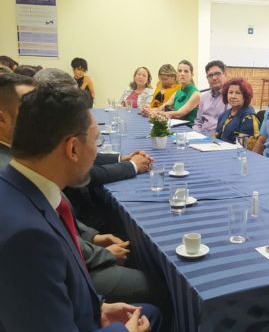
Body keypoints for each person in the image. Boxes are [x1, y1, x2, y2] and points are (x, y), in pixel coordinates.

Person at [0, 84, 186, 332]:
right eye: (96, 140)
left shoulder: (22, 188)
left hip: (75, 321)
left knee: (152, 316)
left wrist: (98, 307)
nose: (96, 151)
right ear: (73, 148)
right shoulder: (26, 238)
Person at [0, 72, 156, 304]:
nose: (39, 116)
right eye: (29, 109)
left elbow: (56, 214)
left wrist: (93, 237)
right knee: (158, 285)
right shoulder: (21, 209)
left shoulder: (22, 168)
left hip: (77, 251)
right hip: (74, 276)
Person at [215, 78, 260, 149]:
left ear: (245, 96)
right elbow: (216, 137)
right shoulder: (223, 114)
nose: (233, 96)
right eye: (230, 92)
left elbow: (245, 148)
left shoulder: (249, 118)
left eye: (238, 93)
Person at [192, 60, 228, 133]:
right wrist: (196, 134)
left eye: (217, 74)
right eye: (210, 75)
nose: (214, 78)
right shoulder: (204, 97)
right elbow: (198, 122)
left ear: (225, 74)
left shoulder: (230, 97)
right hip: (201, 136)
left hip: (219, 139)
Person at [161, 60, 200, 125]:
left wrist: (158, 114)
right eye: (180, 71)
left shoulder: (196, 94)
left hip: (189, 129)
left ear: (192, 75)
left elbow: (179, 114)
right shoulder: (177, 92)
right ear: (177, 74)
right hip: (174, 125)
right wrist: (151, 110)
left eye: (186, 71)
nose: (182, 74)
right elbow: (162, 107)